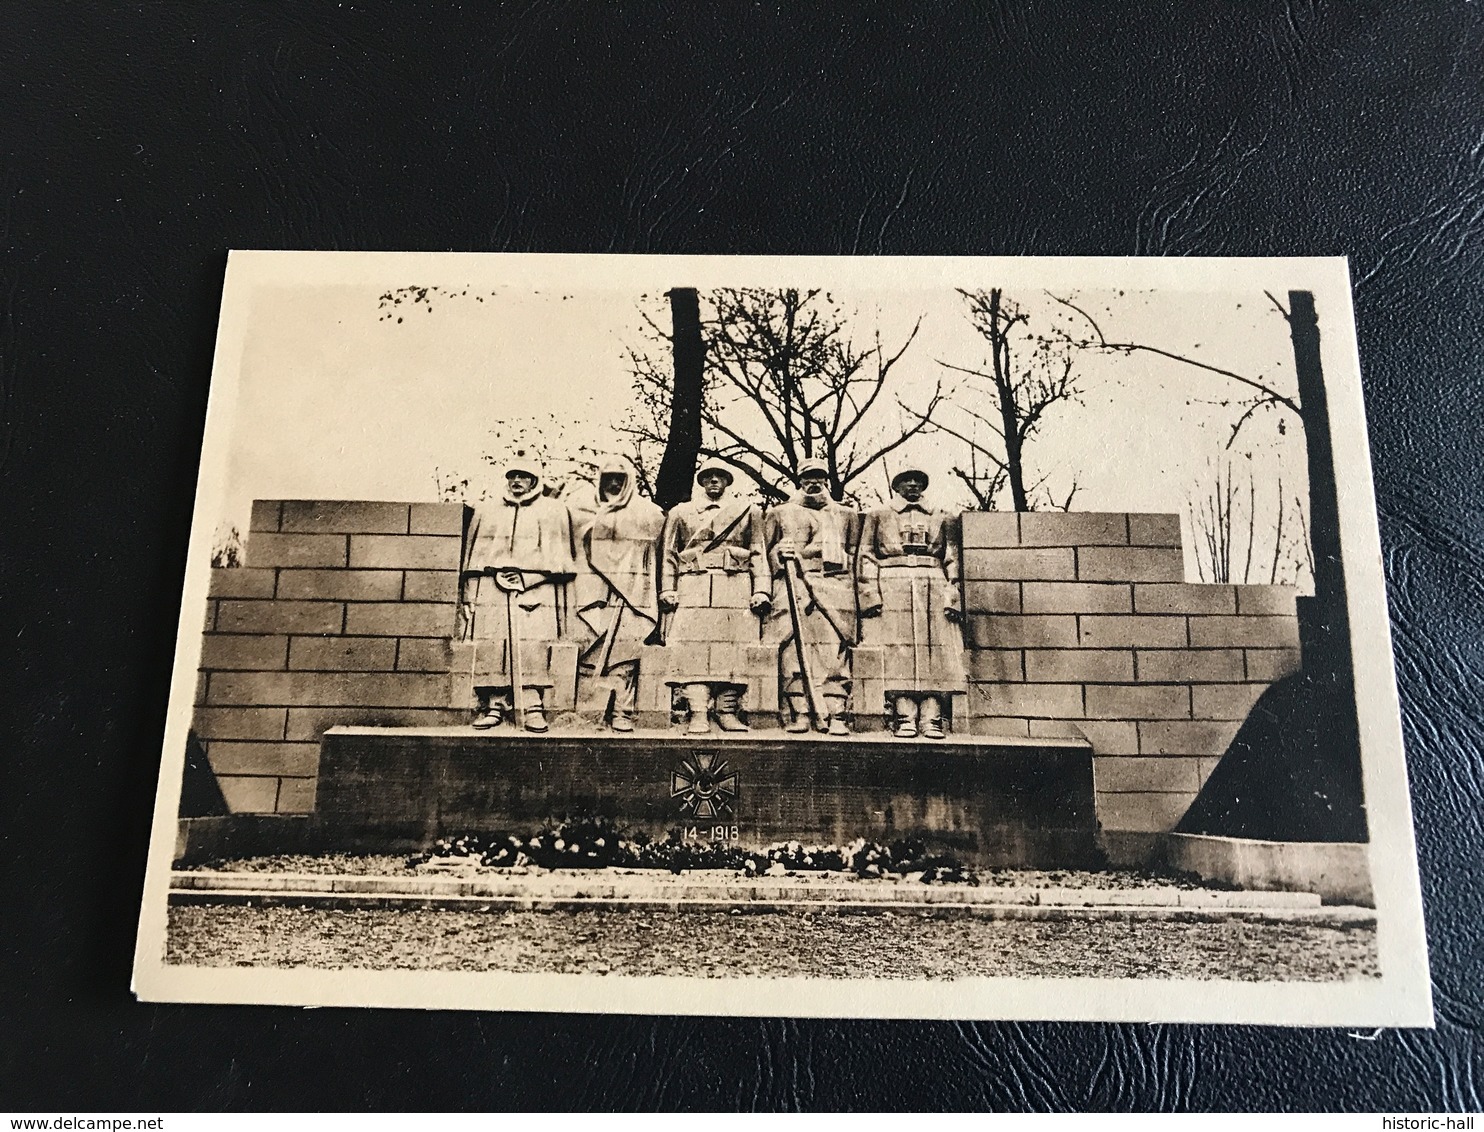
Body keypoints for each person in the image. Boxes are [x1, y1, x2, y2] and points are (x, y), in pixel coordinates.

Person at [459, 451, 578, 733]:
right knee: (493, 645)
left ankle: (533, 706)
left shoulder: (553, 510)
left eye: (523, 475)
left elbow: (561, 561)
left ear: (534, 479)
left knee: (534, 645)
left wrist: (528, 577)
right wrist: (475, 588)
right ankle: (495, 705)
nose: (516, 481)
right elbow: (473, 559)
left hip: (536, 589)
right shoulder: (487, 510)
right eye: (512, 475)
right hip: (491, 586)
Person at [659, 457, 770, 733]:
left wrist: (762, 590)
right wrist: (668, 588)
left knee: (733, 652)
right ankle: (698, 711)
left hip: (735, 586)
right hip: (693, 586)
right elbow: (669, 556)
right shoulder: (681, 513)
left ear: (728, 481)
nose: (714, 481)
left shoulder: (748, 511)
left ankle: (726, 710)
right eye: (708, 476)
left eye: (720, 476)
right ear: (701, 481)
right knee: (692, 651)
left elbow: (758, 551)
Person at [857, 467, 967, 739]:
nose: (913, 486)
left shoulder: (943, 517)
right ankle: (904, 716)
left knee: (936, 653)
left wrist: (954, 592)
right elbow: (866, 555)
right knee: (896, 652)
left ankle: (931, 718)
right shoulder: (878, 515)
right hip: (892, 582)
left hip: (932, 581)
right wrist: (869, 593)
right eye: (907, 481)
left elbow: (952, 556)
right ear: (897, 486)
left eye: (919, 481)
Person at [763, 458, 859, 735]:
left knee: (832, 653)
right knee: (793, 653)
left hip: (834, 588)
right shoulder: (780, 513)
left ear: (827, 480)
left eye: (819, 477)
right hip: (793, 587)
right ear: (799, 481)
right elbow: (765, 553)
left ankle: (836, 713)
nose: (814, 482)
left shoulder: (845, 514)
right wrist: (780, 555)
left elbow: (854, 555)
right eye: (808, 477)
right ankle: (800, 711)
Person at [572, 456, 664, 731]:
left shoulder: (648, 513)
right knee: (590, 650)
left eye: (619, 479)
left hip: (632, 596)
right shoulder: (584, 511)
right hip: (595, 595)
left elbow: (654, 553)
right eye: (608, 478)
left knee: (625, 653)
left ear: (629, 482)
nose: (613, 484)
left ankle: (622, 712)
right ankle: (588, 713)